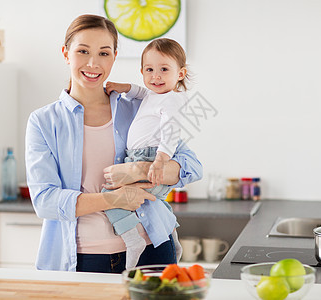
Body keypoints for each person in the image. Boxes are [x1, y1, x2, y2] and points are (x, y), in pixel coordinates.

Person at [25, 14, 202, 273]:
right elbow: (45, 201)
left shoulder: (139, 108)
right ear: (66, 54)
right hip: (84, 258)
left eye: (104, 53)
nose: (93, 63)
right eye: (83, 51)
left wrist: (138, 171)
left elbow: (192, 166)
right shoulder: (43, 121)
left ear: (115, 56)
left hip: (152, 247)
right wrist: (115, 199)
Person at [102, 38, 190, 269]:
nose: (156, 76)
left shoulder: (172, 99)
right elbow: (141, 92)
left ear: (180, 73)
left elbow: (171, 132)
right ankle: (173, 239)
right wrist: (125, 87)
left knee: (110, 195)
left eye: (164, 70)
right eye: (149, 70)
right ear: (142, 71)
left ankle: (132, 241)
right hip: (141, 156)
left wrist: (160, 160)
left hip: (151, 157)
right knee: (156, 201)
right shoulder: (153, 94)